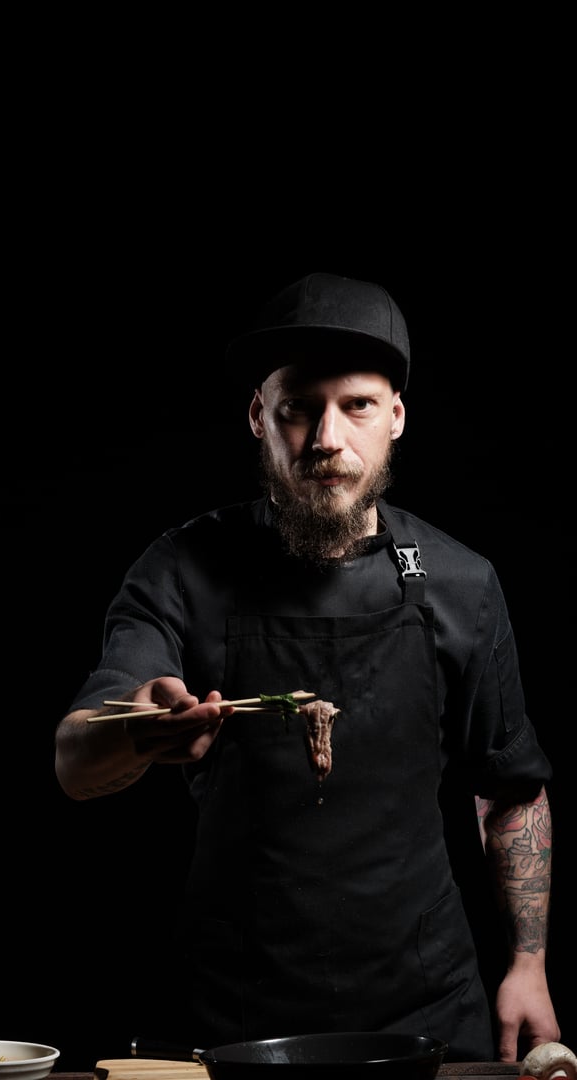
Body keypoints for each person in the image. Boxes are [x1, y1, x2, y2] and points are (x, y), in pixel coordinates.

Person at [55, 272, 560, 1062]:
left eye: (355, 405)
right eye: (298, 407)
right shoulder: (183, 567)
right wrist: (142, 731)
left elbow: (509, 791)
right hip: (228, 1013)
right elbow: (76, 761)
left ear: (395, 416)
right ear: (260, 417)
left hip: (424, 1008)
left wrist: (527, 965)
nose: (327, 437)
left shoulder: (463, 583)